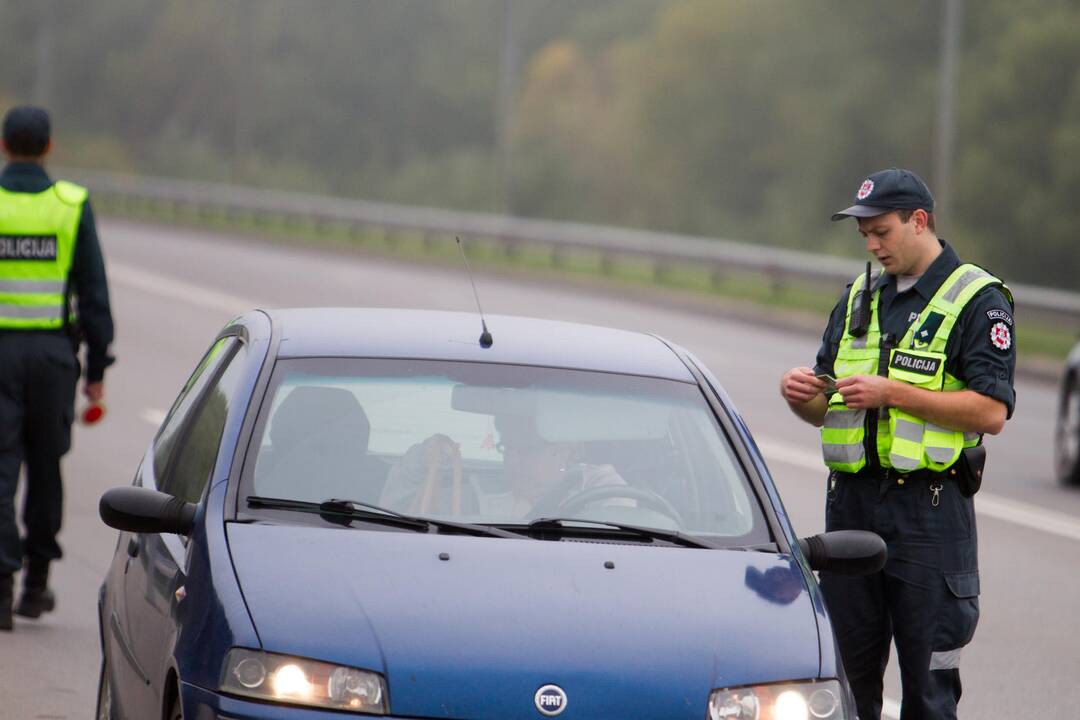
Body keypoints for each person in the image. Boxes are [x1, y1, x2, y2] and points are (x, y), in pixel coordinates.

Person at [779, 168, 1015, 720]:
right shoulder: (859, 295)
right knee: (840, 685)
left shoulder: (978, 299)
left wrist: (894, 393)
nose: (871, 244)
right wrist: (800, 397)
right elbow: (826, 408)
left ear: (919, 221)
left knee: (928, 691)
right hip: (853, 510)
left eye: (881, 230)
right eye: (863, 234)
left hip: (929, 515)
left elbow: (992, 411)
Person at [0, 106, 114, 630]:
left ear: (4, 146)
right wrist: (95, 369)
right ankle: (36, 584)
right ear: (48, 147)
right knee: (45, 468)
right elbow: (93, 292)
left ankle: (0, 585)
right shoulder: (71, 205)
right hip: (51, 360)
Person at [381, 414, 626, 519]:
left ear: (566, 451)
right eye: (508, 447)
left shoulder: (599, 489)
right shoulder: (471, 497)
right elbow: (394, 517)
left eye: (529, 449)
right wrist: (420, 460)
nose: (514, 461)